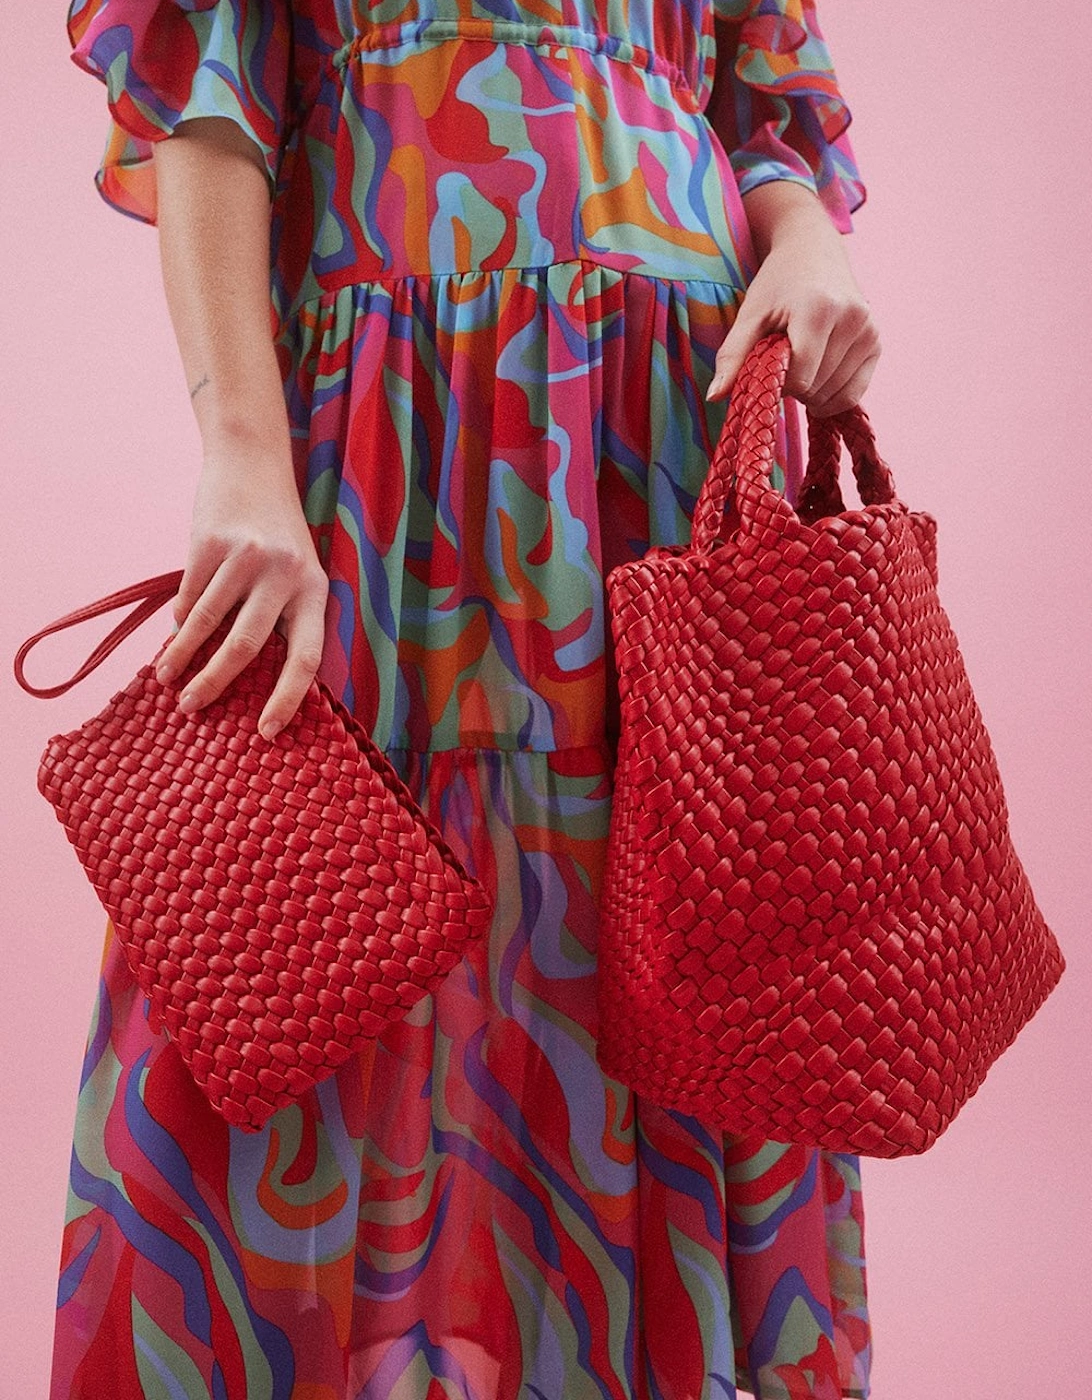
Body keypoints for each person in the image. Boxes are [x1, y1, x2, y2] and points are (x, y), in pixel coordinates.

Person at [55, 0, 879, 1396]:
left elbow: (761, 118)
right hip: (392, 439)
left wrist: (808, 249)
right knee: (289, 939)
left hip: (662, 440)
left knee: (676, 948)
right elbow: (208, 94)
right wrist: (242, 452)